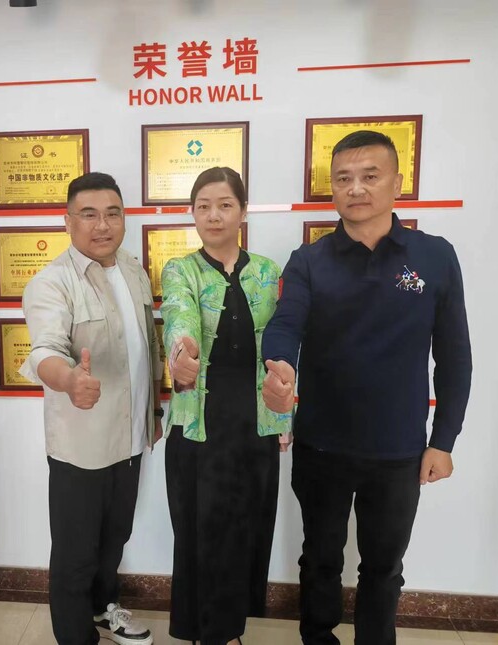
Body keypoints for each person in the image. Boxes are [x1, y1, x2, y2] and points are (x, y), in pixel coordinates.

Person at [261, 131, 472, 645]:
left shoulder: (434, 256)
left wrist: (443, 441)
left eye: (370, 176)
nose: (356, 188)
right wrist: (279, 366)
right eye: (344, 179)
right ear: (332, 189)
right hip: (322, 445)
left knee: (384, 566)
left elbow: (455, 356)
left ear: (397, 183)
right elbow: (286, 323)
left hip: (399, 450)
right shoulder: (309, 260)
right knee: (320, 559)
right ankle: (318, 638)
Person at [20, 172, 163, 645]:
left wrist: (153, 413)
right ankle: (75, 636)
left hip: (130, 438)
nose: (102, 225)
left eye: (112, 213)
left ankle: (104, 610)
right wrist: (69, 381)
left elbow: (149, 347)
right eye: (89, 215)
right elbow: (45, 350)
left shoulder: (133, 269)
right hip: (81, 447)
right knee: (75, 554)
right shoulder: (51, 283)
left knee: (114, 538)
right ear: (68, 221)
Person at [160, 166, 292, 645]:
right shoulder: (180, 269)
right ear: (192, 213)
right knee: (200, 530)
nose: (213, 216)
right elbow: (178, 315)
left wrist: (284, 415)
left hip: (255, 423)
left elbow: (281, 347)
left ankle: (229, 628)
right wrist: (182, 355)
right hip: (200, 424)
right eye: (203, 206)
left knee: (245, 530)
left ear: (243, 212)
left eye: (224, 205)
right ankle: (207, 632)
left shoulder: (268, 272)